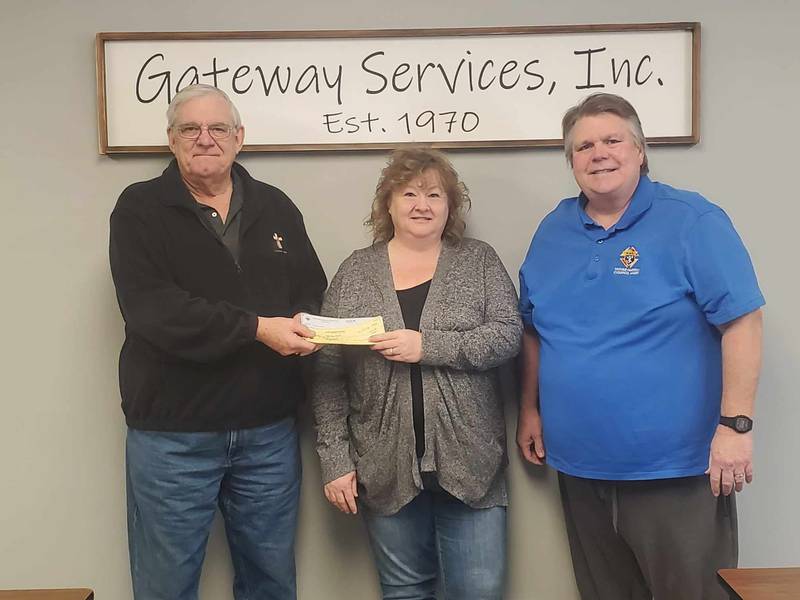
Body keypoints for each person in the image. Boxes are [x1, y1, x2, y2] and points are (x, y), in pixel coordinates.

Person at [517, 93, 764, 600]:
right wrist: (528, 408)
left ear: (641, 151)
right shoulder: (553, 231)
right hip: (580, 467)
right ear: (572, 162)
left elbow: (743, 322)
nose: (598, 153)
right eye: (583, 146)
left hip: (675, 470)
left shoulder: (692, 220)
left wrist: (736, 426)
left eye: (612, 140)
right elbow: (534, 329)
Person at [109, 83, 327, 600]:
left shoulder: (276, 208)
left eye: (218, 128)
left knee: (271, 584)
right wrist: (258, 328)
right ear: (171, 139)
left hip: (268, 436)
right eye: (190, 128)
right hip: (173, 441)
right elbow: (154, 312)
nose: (205, 138)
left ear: (239, 137)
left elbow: (310, 290)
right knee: (166, 587)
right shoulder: (139, 210)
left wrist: (312, 327)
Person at [311, 148, 522, 600]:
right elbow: (328, 373)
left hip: (471, 464)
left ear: (450, 206)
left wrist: (428, 346)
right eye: (409, 193)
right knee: (404, 592)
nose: (421, 205)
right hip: (382, 464)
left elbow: (508, 336)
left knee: (479, 592)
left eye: (434, 194)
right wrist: (335, 461)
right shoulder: (355, 272)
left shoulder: (478, 261)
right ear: (388, 204)